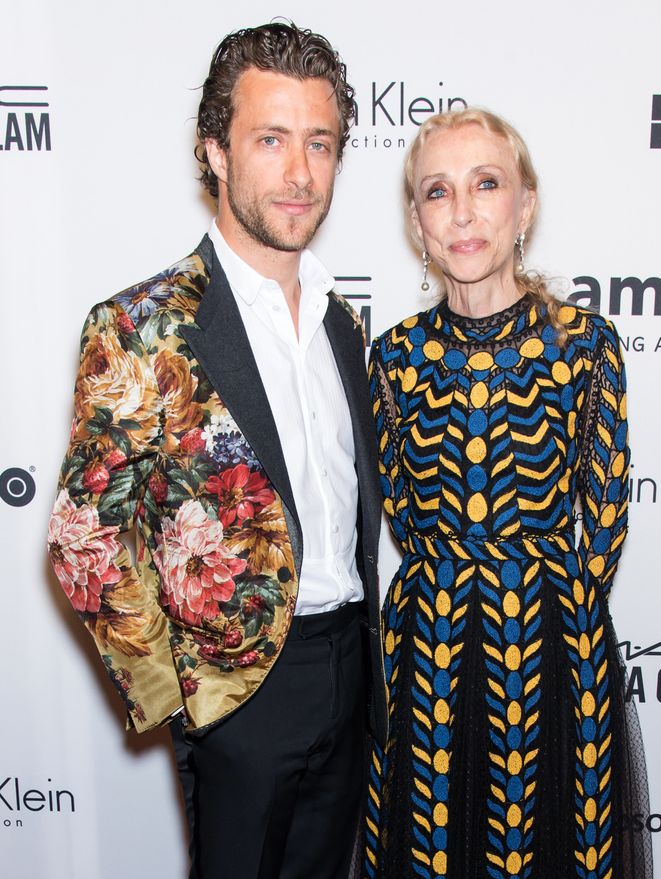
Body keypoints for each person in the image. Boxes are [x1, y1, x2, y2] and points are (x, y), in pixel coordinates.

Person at [47, 22, 385, 879]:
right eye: (270, 140)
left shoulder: (346, 328)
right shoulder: (143, 325)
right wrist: (184, 696)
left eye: (320, 142)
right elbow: (84, 537)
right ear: (217, 153)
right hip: (239, 696)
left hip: (352, 672)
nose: (301, 172)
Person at [360, 109, 652, 879]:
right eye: (437, 191)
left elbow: (606, 516)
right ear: (417, 224)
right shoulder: (391, 359)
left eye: (486, 184)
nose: (462, 211)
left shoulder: (585, 346)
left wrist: (558, 626)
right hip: (429, 656)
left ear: (524, 206)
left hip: (556, 653)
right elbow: (395, 503)